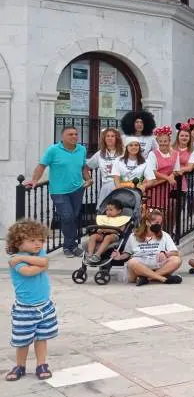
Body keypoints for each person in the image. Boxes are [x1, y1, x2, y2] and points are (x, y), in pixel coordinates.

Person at [24, 127, 91, 257]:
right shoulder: (53, 150)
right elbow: (41, 166)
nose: (74, 136)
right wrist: (34, 180)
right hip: (59, 191)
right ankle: (68, 246)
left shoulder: (81, 150)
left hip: (77, 189)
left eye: (76, 134)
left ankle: (72, 245)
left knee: (73, 217)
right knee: (67, 217)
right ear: (62, 137)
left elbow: (83, 167)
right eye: (70, 134)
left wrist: (88, 179)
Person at [5, 220, 57, 382]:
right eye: (32, 240)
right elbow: (29, 272)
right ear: (18, 242)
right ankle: (20, 365)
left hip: (45, 306)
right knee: (22, 340)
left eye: (40, 240)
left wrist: (41, 263)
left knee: (42, 337)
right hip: (25, 309)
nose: (37, 244)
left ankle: (42, 364)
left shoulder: (33, 254)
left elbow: (44, 262)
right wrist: (42, 265)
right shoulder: (15, 260)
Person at [113, 210, 182, 286]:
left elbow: (175, 252)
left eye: (160, 223)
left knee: (177, 260)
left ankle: (147, 278)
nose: (159, 225)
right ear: (147, 223)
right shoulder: (133, 236)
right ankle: (163, 279)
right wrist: (119, 257)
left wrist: (165, 253)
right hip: (139, 266)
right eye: (157, 223)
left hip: (157, 265)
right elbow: (127, 253)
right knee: (131, 262)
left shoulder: (164, 235)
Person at [85, 127, 123, 208]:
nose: (110, 138)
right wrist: (88, 179)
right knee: (104, 213)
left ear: (117, 138)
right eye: (107, 136)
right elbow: (86, 166)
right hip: (106, 187)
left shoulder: (124, 152)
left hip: (121, 187)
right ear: (104, 139)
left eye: (112, 136)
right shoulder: (99, 154)